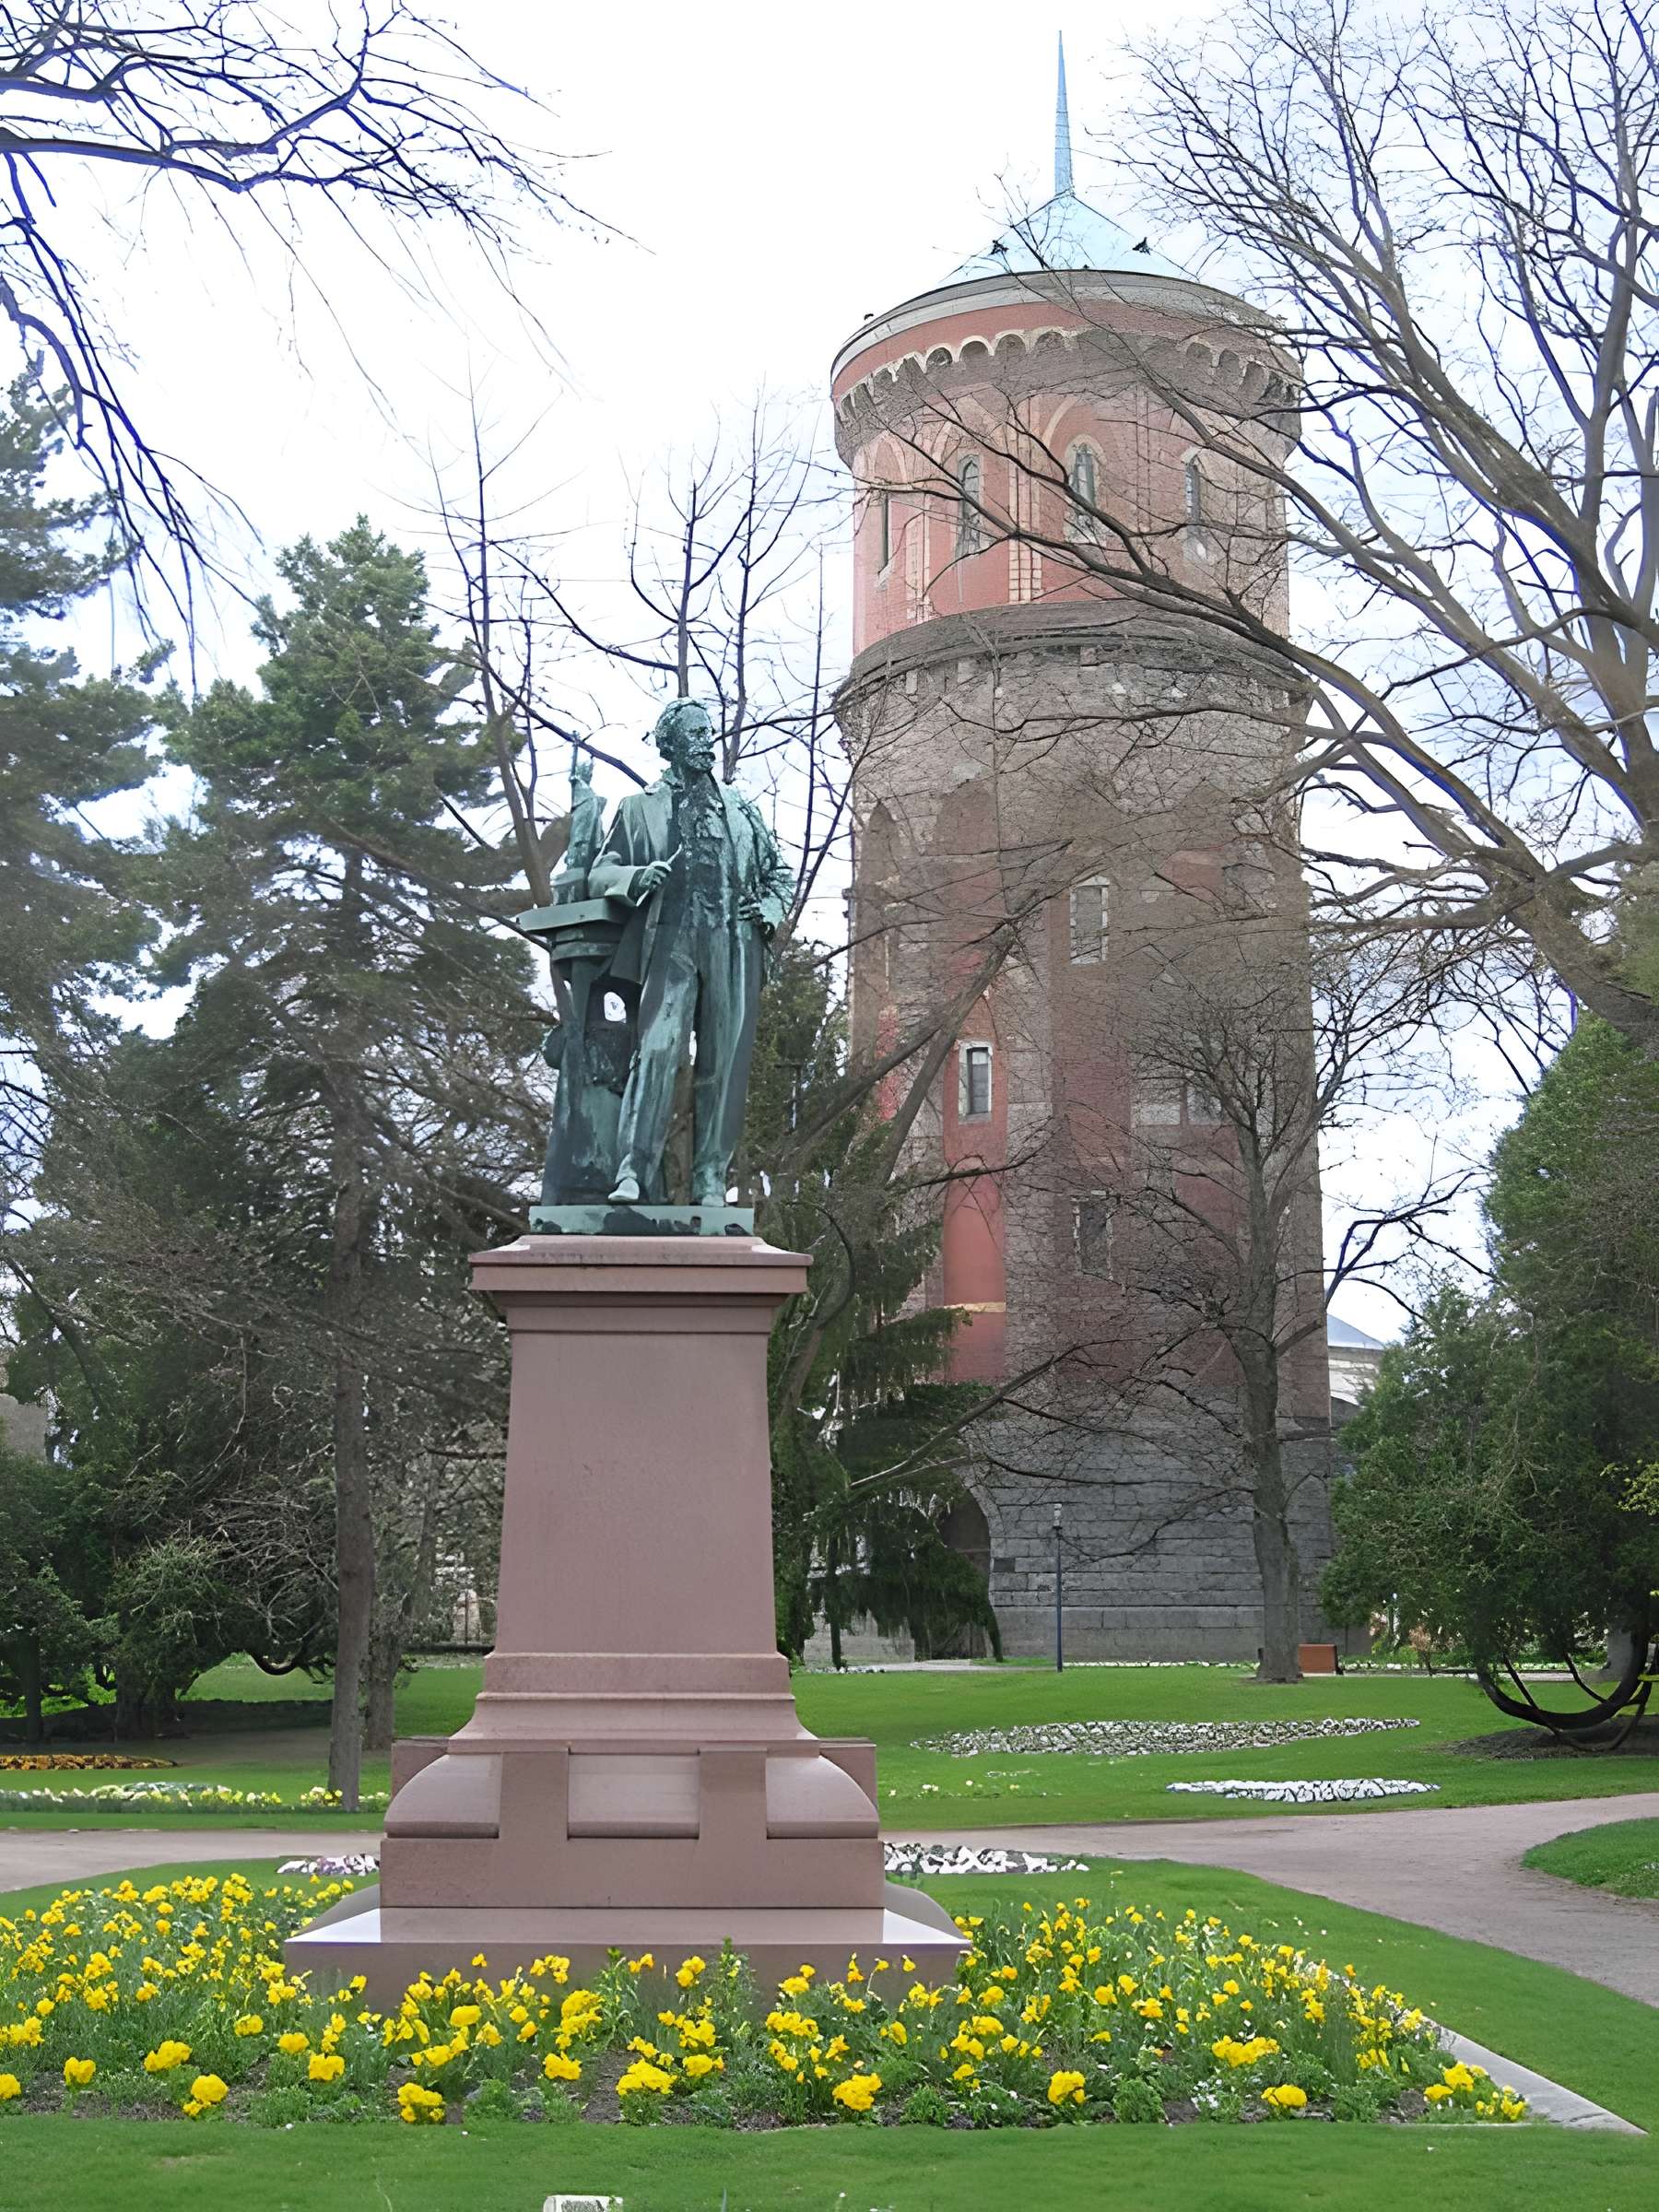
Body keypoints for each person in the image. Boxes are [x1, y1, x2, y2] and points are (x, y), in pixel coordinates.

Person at [590, 699, 794, 1204]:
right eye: (697, 734)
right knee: (657, 1050)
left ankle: (710, 1178)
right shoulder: (639, 809)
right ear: (671, 745)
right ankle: (633, 1170)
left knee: (723, 1064)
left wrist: (768, 908)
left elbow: (779, 874)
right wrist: (638, 876)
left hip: (732, 941)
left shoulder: (740, 808)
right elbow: (601, 871)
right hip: (671, 942)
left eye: (709, 732)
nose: (708, 741)